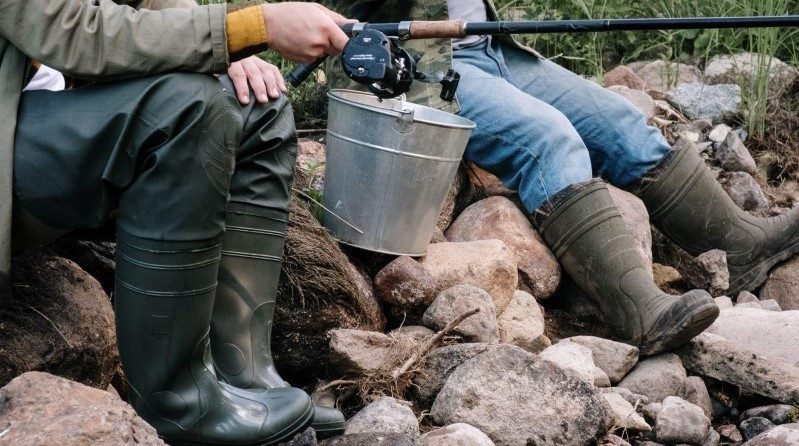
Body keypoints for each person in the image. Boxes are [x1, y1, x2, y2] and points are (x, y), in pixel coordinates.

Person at [327, 0, 799, 355]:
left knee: (621, 125)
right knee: (551, 141)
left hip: (492, 48)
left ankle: (739, 246)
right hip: (419, 62)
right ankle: (638, 310)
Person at [1, 1, 353, 444]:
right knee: (186, 109)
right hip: (11, 139)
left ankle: (245, 377)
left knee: (258, 108)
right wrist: (246, 29)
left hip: (48, 123)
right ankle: (180, 405)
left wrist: (224, 49)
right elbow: (73, 32)